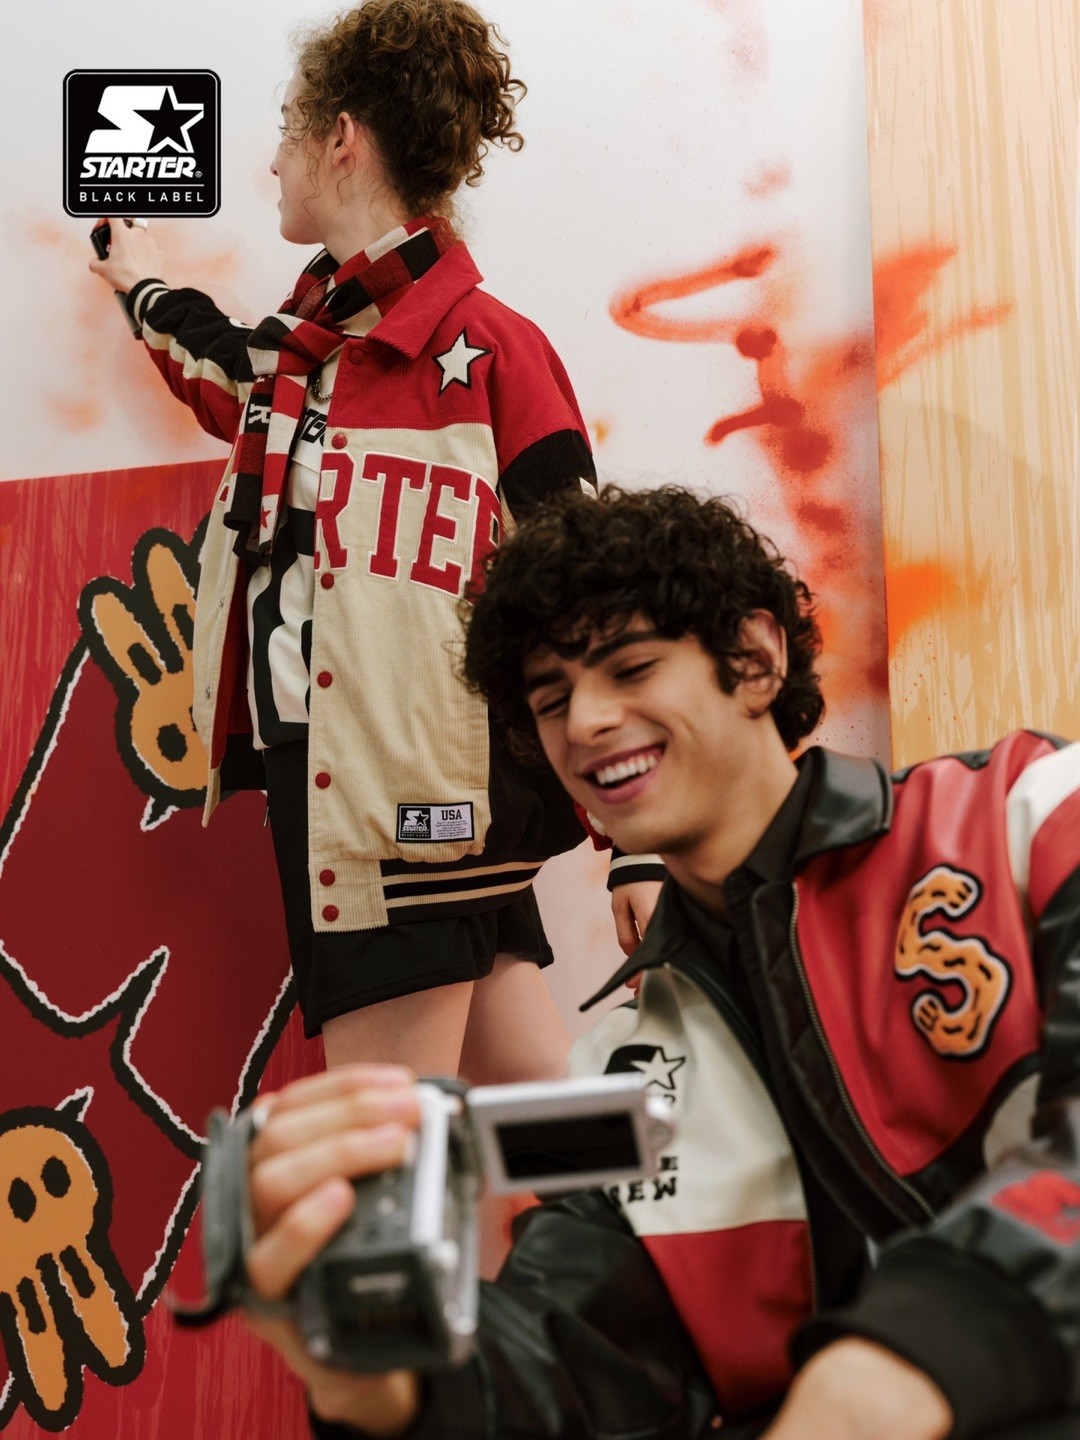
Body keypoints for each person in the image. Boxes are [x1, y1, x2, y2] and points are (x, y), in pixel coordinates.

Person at [238, 484, 1080, 1440]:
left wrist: (891, 1369)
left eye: (630, 668)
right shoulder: (615, 1073)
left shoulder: (1031, 813)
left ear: (755, 659)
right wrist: (381, 1383)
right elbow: (561, 1364)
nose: (585, 723)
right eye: (550, 699)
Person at [87, 0, 595, 1081]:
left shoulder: (491, 350)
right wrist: (140, 284)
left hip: (394, 811)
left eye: (286, 131)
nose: (272, 162)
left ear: (342, 140)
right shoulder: (305, 359)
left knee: (386, 1146)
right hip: (366, 796)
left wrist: (636, 849)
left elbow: (594, 597)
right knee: (548, 1132)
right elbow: (224, 367)